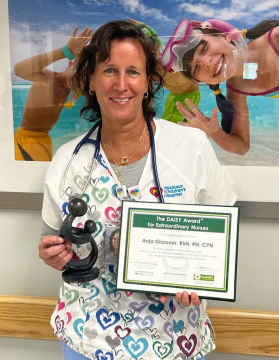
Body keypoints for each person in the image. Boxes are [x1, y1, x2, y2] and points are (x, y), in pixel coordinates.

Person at [38, 20, 236, 360]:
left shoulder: (191, 145)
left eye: (133, 72)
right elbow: (52, 240)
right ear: (90, 80)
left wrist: (202, 280)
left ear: (147, 83)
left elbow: (222, 236)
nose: (120, 84)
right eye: (109, 70)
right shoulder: (68, 159)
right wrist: (52, 254)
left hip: (174, 341)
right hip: (87, 340)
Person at [161, 19, 279, 155]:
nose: (206, 63)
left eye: (204, 48)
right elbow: (241, 146)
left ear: (224, 36)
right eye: (196, 69)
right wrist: (214, 132)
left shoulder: (276, 39)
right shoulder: (237, 89)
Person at [13, 26, 93, 161]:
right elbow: (19, 70)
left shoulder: (77, 89)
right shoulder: (49, 79)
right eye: (79, 72)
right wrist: (64, 51)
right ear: (69, 64)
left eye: (87, 76)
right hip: (28, 139)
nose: (81, 79)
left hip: (45, 139)